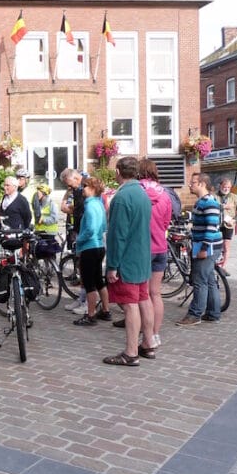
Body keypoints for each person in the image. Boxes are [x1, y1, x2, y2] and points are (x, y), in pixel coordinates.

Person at [103, 156, 153, 366]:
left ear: (118, 172)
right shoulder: (142, 194)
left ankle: (131, 352)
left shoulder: (122, 198)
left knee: (130, 305)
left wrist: (112, 265)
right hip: (142, 257)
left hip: (128, 260)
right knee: (144, 299)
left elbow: (117, 235)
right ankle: (149, 343)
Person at [132, 159, 172, 357]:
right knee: (156, 293)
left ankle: (146, 337)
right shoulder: (165, 194)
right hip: (160, 247)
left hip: (142, 249)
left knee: (142, 295)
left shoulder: (137, 192)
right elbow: (166, 223)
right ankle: (155, 334)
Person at [176, 173, 224, 326]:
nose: (190, 185)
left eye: (193, 182)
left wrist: (204, 248)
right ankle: (213, 313)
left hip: (207, 247)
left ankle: (194, 314)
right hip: (206, 245)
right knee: (209, 280)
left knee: (199, 281)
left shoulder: (209, 202)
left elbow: (211, 228)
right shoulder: (202, 202)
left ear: (202, 184)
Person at [72, 177, 112, 326]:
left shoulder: (89, 206)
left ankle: (91, 314)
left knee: (89, 282)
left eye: (85, 186)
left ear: (93, 188)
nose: (83, 189)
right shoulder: (99, 204)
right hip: (99, 246)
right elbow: (103, 227)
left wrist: (79, 240)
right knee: (98, 280)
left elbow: (91, 229)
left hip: (89, 247)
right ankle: (106, 310)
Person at [60, 168, 88, 312]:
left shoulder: (85, 189)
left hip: (86, 234)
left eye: (69, 184)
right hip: (79, 231)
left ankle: (87, 303)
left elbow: (81, 210)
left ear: (76, 178)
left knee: (87, 269)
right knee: (80, 268)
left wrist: (70, 209)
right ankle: (82, 298)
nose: (68, 187)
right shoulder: (76, 190)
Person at [216, 178, 237, 273]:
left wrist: (234, 220)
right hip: (216, 224)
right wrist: (223, 206)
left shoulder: (235, 197)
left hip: (228, 225)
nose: (226, 189)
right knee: (216, 244)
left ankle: (224, 266)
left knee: (226, 245)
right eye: (224, 187)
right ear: (220, 186)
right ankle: (215, 262)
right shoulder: (214, 196)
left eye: (228, 187)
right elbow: (210, 206)